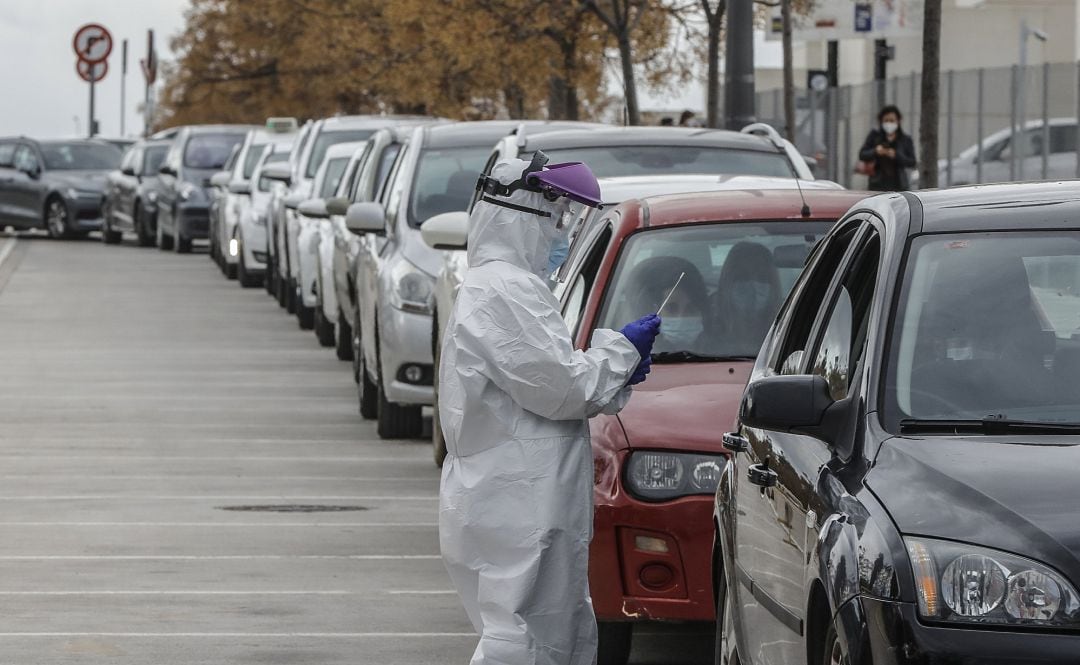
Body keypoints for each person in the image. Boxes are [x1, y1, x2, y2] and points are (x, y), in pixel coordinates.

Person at [439, 154, 661, 665]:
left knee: (540, 635)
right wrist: (621, 351)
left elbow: (545, 382)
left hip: (515, 493)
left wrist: (618, 373)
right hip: (519, 499)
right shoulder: (505, 290)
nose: (562, 231)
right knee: (522, 640)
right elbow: (563, 388)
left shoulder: (503, 286)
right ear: (523, 215)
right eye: (555, 216)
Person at [858, 105, 917, 191]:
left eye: (892, 121)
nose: (889, 123)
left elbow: (912, 162)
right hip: (877, 185)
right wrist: (876, 151)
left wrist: (896, 155)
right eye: (886, 121)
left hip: (899, 185)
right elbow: (862, 154)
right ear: (881, 122)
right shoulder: (874, 136)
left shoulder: (905, 139)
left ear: (898, 121)